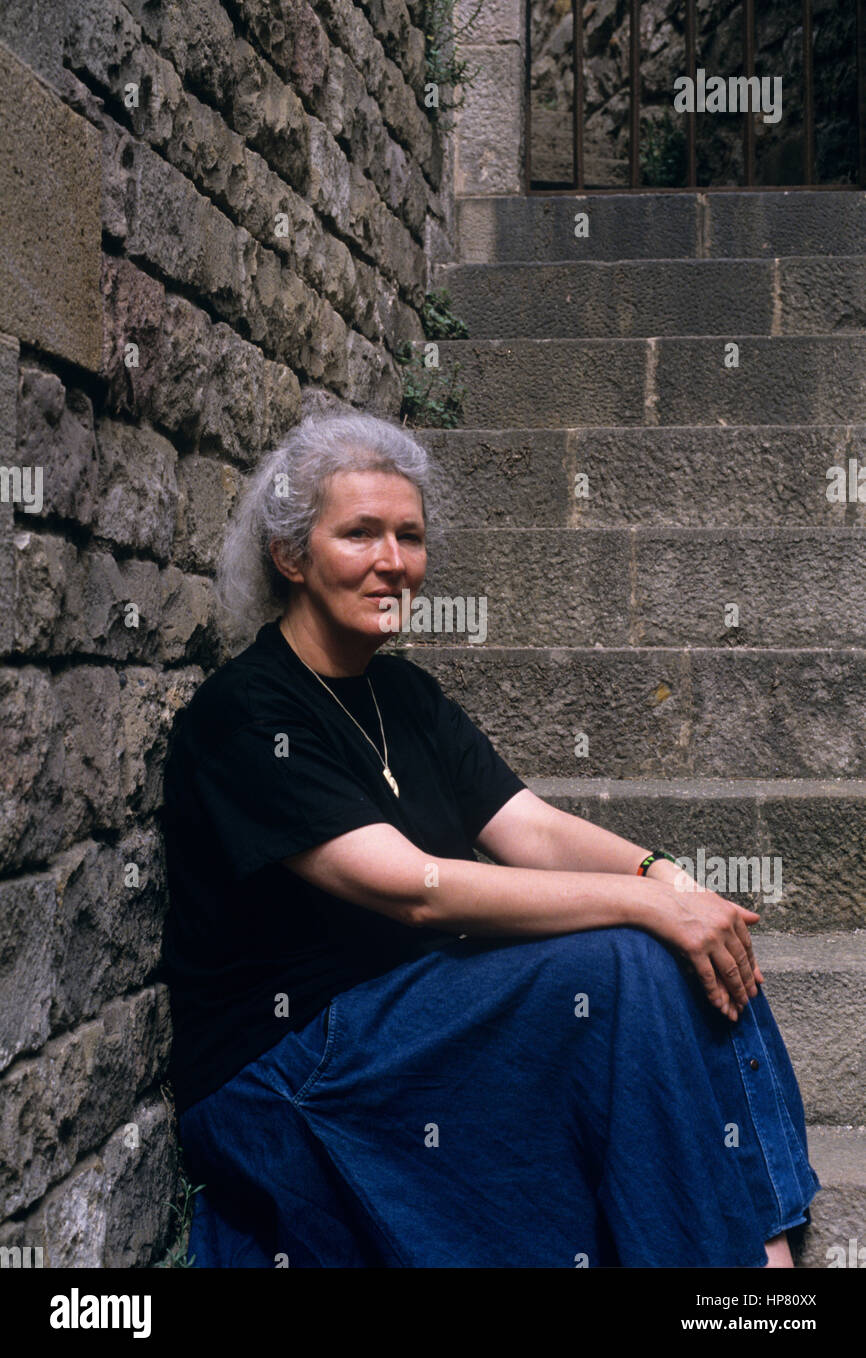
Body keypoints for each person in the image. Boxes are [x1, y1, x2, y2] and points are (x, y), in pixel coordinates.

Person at [160, 406, 819, 1269]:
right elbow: (413, 890)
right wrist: (644, 904)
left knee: (700, 919)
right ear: (291, 556)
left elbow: (533, 830)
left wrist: (669, 879)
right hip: (292, 1063)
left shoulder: (406, 698)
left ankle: (763, 1253)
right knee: (628, 954)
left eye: (409, 536)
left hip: (411, 1013)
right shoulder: (246, 714)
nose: (393, 562)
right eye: (360, 534)